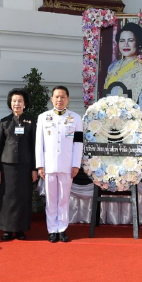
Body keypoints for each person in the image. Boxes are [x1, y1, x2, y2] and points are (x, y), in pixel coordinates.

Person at [35, 86, 83, 243]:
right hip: (48, 165)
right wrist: (40, 165)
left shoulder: (76, 118)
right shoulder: (43, 117)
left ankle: (62, 228)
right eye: (56, 97)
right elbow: (39, 143)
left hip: (67, 165)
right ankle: (52, 229)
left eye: (63, 97)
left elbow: (78, 143)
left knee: (63, 198)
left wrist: (76, 164)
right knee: (51, 199)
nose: (59, 100)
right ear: (52, 99)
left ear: (68, 99)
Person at [0, 88, 37, 240]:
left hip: (25, 166)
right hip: (7, 166)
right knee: (7, 197)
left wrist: (34, 169)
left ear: (24, 104)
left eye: (20, 101)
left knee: (23, 197)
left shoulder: (31, 122)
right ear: (10, 103)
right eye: (14, 101)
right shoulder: (4, 122)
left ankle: (20, 229)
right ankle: (6, 229)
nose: (17, 104)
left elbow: (34, 147)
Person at [102, 22, 142, 118]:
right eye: (122, 40)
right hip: (110, 119)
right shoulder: (113, 66)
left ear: (138, 43)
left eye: (130, 40)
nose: (126, 44)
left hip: (132, 121)